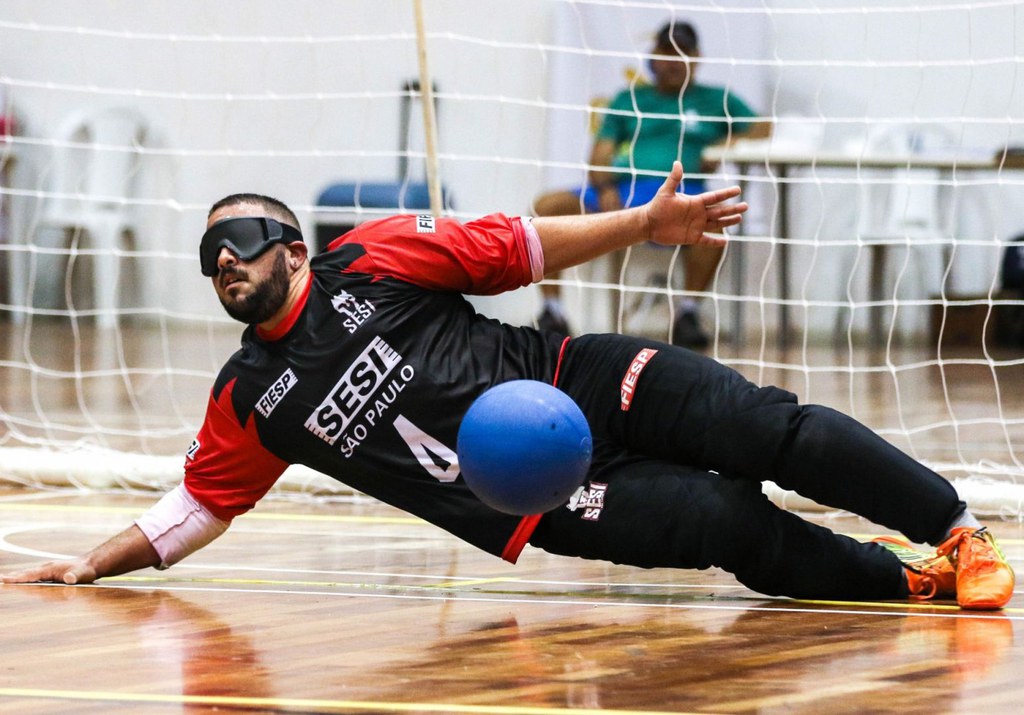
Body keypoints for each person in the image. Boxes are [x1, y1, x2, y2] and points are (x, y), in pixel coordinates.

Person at [1, 163, 1014, 610]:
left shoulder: (373, 257)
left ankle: (956, 527)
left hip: (573, 377)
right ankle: (903, 581)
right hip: (542, 503)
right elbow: (198, 505)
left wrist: (637, 225)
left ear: (292, 247)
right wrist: (95, 562)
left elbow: (519, 246)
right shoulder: (251, 396)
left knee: (762, 428)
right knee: (725, 524)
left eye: (238, 242)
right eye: (208, 257)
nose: (222, 263)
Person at [533, 20, 771, 347]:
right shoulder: (629, 99)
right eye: (665, 52)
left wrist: (725, 144)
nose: (672, 61)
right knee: (547, 208)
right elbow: (602, 148)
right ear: (652, 56)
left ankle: (688, 313)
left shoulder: (716, 100)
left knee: (716, 220)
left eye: (681, 53)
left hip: (683, 194)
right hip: (625, 190)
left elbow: (763, 128)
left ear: (697, 57)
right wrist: (604, 188)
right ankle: (552, 311)